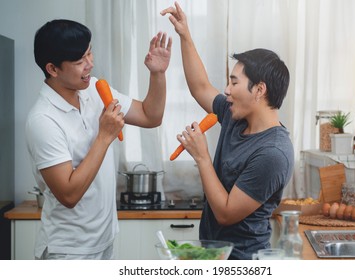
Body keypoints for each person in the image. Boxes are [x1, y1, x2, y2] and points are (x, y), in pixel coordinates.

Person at [26, 19, 171, 260]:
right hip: (68, 251)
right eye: (79, 61)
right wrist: (104, 136)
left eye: (90, 53)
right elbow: (69, 195)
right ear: (52, 69)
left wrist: (157, 74)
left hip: (104, 241)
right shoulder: (42, 120)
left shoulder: (93, 88)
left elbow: (150, 115)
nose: (90, 64)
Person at [161, 2, 294, 260]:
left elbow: (225, 212)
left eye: (234, 82)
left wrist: (201, 156)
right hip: (215, 254)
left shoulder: (274, 154)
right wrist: (184, 34)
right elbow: (200, 86)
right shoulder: (236, 115)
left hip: (242, 260)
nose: (227, 90)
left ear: (259, 90)